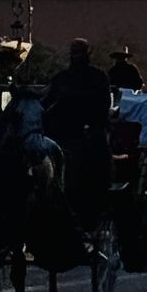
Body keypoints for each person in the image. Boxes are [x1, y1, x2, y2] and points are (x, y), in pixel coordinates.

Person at [42, 38, 113, 230]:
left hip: (88, 133)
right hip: (64, 134)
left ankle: (95, 203)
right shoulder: (62, 79)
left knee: (97, 158)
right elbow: (47, 106)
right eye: (76, 52)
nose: (78, 56)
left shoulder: (97, 78)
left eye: (80, 52)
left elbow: (103, 107)